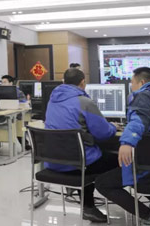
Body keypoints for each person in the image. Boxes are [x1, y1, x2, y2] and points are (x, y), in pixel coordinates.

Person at [95, 67, 150, 226]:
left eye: (132, 83)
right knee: (133, 171)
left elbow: (139, 120)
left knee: (103, 182)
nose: (131, 87)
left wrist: (127, 142)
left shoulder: (144, 95)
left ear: (142, 82)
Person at [45, 68, 118, 223]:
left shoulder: (52, 100)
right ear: (83, 82)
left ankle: (88, 205)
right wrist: (113, 126)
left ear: (63, 82)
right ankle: (124, 199)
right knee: (120, 159)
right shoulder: (84, 102)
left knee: (87, 153)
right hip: (79, 163)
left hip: (54, 160)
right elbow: (104, 134)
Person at [0, 74, 27, 153]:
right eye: (1, 82)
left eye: (4, 82)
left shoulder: (18, 92)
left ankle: (25, 144)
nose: (2, 84)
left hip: (16, 115)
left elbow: (23, 103)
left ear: (11, 83)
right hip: (3, 113)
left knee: (18, 127)